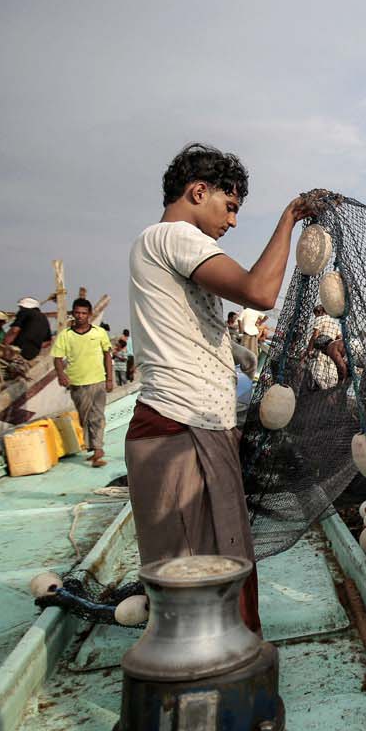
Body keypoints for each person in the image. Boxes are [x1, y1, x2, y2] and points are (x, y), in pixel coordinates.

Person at [126, 142, 323, 636]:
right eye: (229, 207)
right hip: (180, 430)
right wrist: (289, 221)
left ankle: (223, 683)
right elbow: (260, 291)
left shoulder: (156, 244)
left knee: (216, 570)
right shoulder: (175, 236)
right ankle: (213, 694)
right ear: (198, 192)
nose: (232, 223)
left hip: (193, 427)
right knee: (199, 583)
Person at [51, 297, 114, 467]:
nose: (80, 316)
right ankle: (93, 447)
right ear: (73, 314)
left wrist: (109, 379)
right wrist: (61, 375)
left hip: (98, 381)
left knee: (97, 416)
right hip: (77, 382)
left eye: (84, 313)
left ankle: (98, 449)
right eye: (77, 313)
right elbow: (57, 358)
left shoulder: (99, 333)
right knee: (84, 417)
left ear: (90, 315)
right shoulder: (66, 335)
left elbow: (107, 355)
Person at [0, 297, 53, 379]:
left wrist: (4, 347)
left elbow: (14, 330)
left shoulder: (25, 312)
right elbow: (48, 342)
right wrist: (34, 344)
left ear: (23, 307)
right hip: (32, 354)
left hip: (18, 352)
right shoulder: (44, 318)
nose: (19, 309)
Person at [306, 304, 348, 381]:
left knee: (316, 374)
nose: (315, 317)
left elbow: (315, 335)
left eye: (316, 315)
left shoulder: (320, 319)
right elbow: (339, 338)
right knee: (328, 375)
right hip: (332, 352)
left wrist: (309, 349)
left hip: (321, 350)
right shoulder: (334, 323)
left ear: (319, 312)